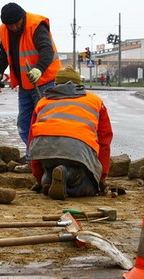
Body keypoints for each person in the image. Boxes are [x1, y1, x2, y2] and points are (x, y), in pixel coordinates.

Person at [0, 2, 62, 167]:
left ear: (22, 17)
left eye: (16, 23)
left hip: (46, 81)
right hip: (25, 84)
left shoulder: (36, 25)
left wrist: (39, 69)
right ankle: (34, 161)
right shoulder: (4, 30)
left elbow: (47, 50)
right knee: (24, 124)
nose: (14, 27)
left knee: (43, 123)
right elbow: (4, 53)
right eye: (10, 25)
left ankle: (47, 161)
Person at [28, 66, 112, 200]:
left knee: (49, 172)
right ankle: (68, 174)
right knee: (88, 187)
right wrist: (101, 178)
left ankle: (48, 179)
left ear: (56, 84)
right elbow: (104, 140)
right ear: (80, 85)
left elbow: (32, 137)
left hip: (44, 149)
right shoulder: (95, 100)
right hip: (76, 151)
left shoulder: (42, 102)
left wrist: (38, 177)